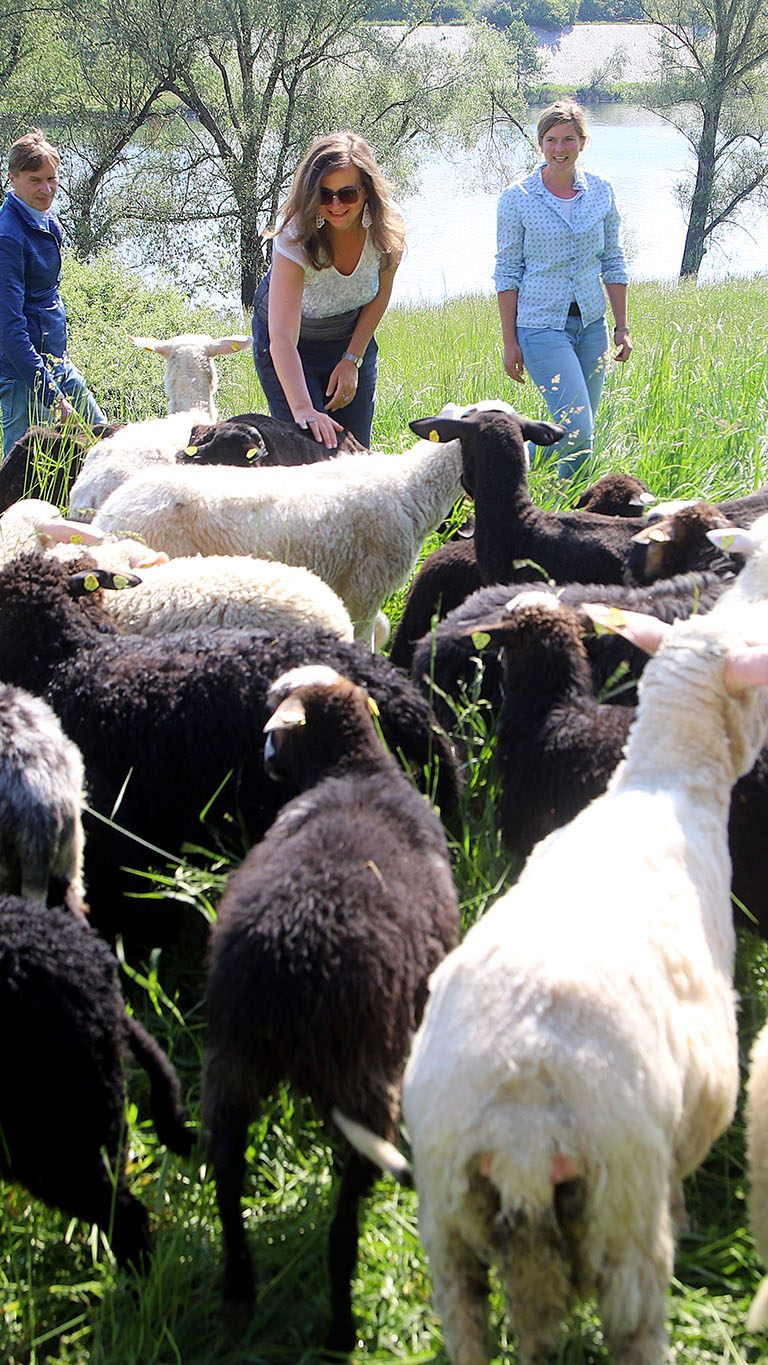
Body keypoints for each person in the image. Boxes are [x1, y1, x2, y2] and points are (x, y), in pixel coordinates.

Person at [494, 100, 632, 480]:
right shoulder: (518, 198)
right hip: (541, 328)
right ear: (541, 144)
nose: (559, 148)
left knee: (582, 430)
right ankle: (504, 478)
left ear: (582, 143)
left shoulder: (601, 192)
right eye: (551, 139)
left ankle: (557, 505)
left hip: (591, 325)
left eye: (568, 139)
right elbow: (507, 272)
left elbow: (613, 260)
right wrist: (509, 341)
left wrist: (622, 326)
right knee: (577, 427)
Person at [252, 131, 405, 449]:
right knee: (309, 449)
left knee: (355, 452)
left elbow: (380, 296)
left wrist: (351, 359)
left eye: (347, 194)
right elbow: (281, 338)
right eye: (324, 195)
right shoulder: (295, 238)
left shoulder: (387, 231)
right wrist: (304, 410)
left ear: (366, 192)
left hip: (348, 340)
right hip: (289, 348)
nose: (335, 204)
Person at [0, 129, 106, 460]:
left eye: (52, 179)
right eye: (35, 180)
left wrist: (59, 358)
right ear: (12, 178)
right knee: (22, 469)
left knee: (104, 440)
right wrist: (52, 397)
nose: (46, 190)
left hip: (54, 358)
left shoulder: (46, 218)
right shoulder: (8, 237)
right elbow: (9, 325)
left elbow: (48, 297)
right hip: (20, 372)